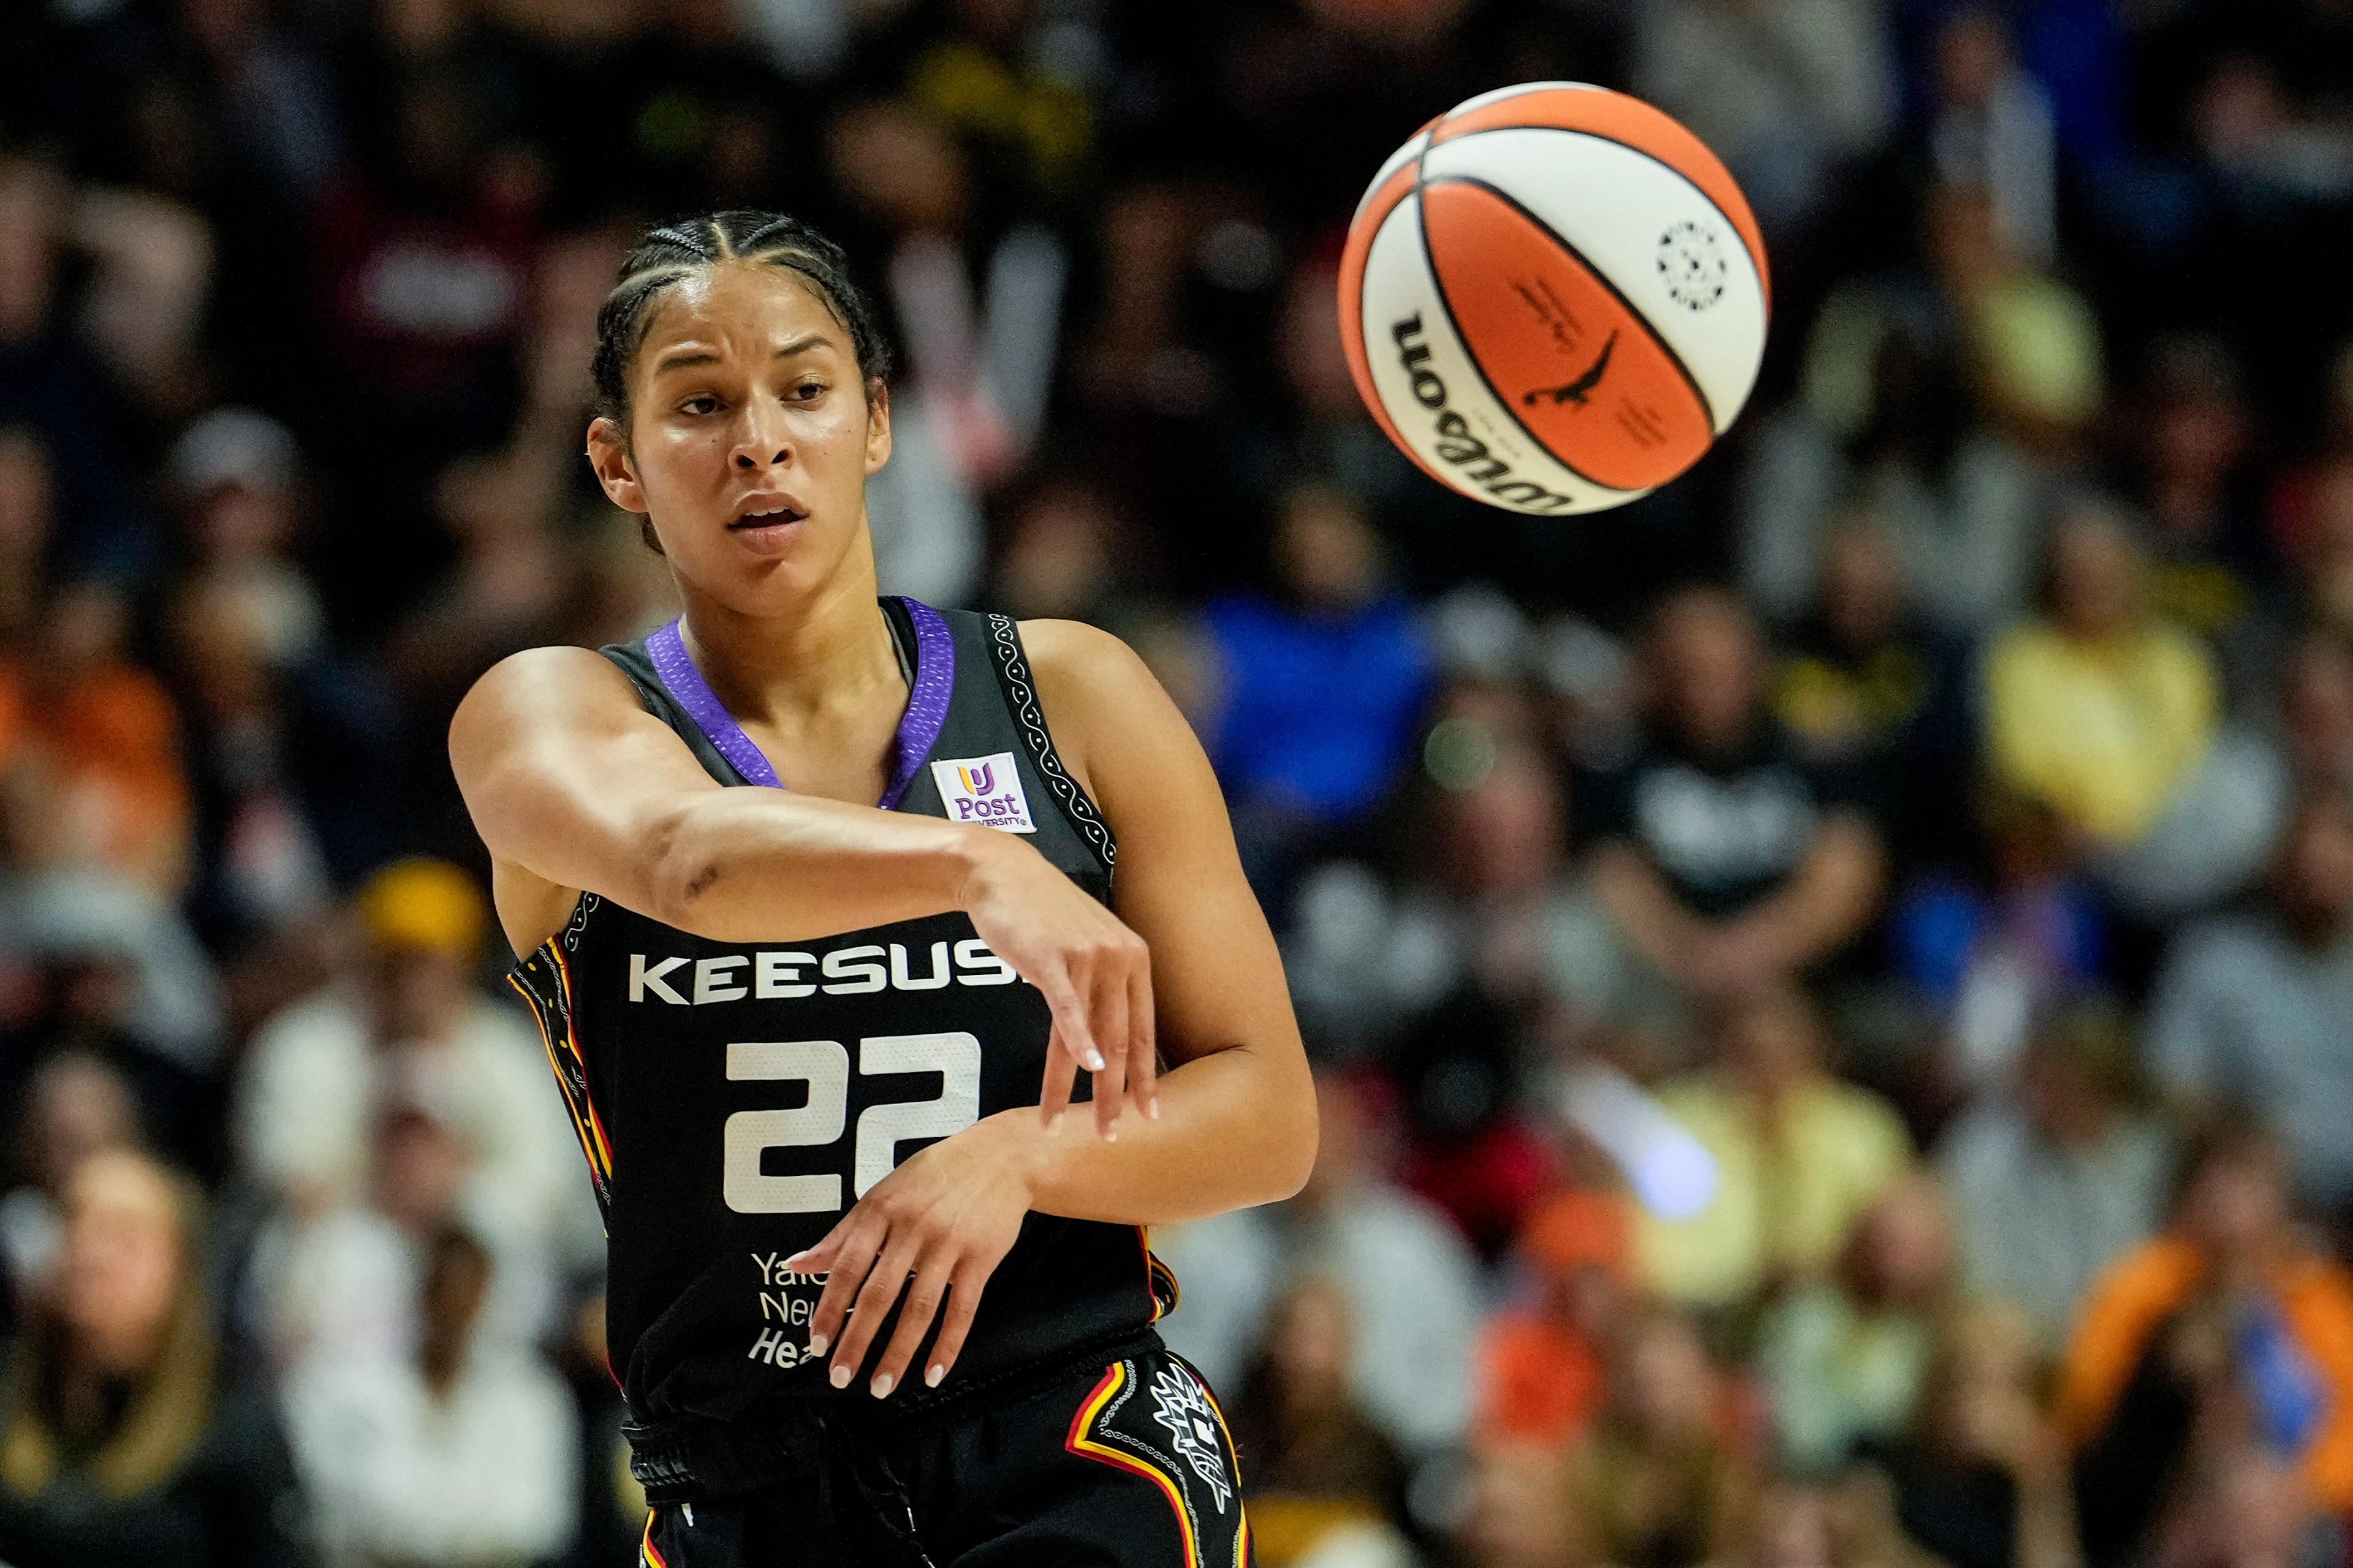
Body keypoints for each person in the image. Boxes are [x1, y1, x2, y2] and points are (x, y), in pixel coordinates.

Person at [446, 211, 1314, 1566]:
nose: (758, 441)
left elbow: (1268, 1111)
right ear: (616, 461)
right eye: (698, 403)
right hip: (743, 1485)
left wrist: (1022, 1158)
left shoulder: (1071, 695)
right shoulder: (547, 711)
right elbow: (687, 859)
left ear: (878, 423)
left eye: (804, 388)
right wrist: (978, 862)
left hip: (1069, 1432)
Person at [2055, 1123, 2353, 1566]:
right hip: (2158, 1499)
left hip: (2293, 1512)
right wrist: (2166, 1374)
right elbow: (2085, 1404)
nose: (2228, 1204)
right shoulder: (2145, 1283)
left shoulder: (2318, 1296)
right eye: (2215, 1184)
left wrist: (2298, 1495)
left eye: (2247, 1185)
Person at [0, 1149, 308, 1568]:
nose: (91, 1252)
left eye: (123, 1235)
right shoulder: (11, 1400)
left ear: (180, 1269)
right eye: (75, 1222)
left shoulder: (236, 1431)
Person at [1585, 585, 1885, 1007]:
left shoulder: (1811, 761)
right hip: (1662, 991)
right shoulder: (1620, 766)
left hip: (1792, 992)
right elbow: (1612, 879)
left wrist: (1753, 954)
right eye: (1687, 670)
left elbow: (1848, 871)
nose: (1703, 689)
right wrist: (1694, 958)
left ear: (1757, 666)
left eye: (1720, 670)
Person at [284, 1224, 580, 1568]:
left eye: (468, 1295)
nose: (454, 1310)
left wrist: (429, 1534)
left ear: (489, 1300)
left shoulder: (534, 1400)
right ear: (421, 1293)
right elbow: (334, 1509)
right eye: (443, 1291)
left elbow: (536, 1521)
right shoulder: (353, 1391)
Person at [2146, 795, 2353, 1213]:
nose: (2318, 882)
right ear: (2276, 866)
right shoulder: (2215, 960)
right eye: (2306, 867)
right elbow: (2172, 1088)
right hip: (2267, 1198)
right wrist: (2237, 1137)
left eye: (2334, 866)